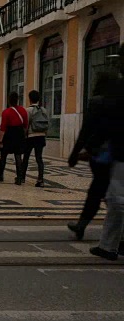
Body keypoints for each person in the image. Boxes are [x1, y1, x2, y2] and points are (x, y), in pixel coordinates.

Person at [85, 43, 124, 260]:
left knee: (116, 200)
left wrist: (92, 145)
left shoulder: (118, 89)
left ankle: (109, 246)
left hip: (120, 153)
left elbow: (109, 123)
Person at [67, 73, 118, 240]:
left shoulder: (97, 102)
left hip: (101, 154)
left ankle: (83, 225)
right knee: (105, 192)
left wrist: (75, 153)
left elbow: (86, 130)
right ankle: (83, 225)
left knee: (99, 191)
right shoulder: (117, 101)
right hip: (115, 154)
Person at [0, 92, 28, 185]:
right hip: (19, 134)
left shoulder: (6, 112)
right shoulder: (23, 110)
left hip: (9, 134)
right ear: (17, 100)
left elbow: (3, 127)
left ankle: (0, 175)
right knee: (18, 156)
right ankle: (19, 177)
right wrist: (23, 136)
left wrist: (1, 140)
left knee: (3, 155)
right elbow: (25, 125)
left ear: (9, 100)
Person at [21, 90, 49, 187]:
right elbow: (47, 124)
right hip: (41, 136)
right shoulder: (44, 110)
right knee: (39, 158)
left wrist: (24, 135)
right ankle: (40, 179)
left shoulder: (28, 110)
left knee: (26, 157)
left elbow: (26, 124)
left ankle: (22, 177)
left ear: (30, 99)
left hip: (31, 136)